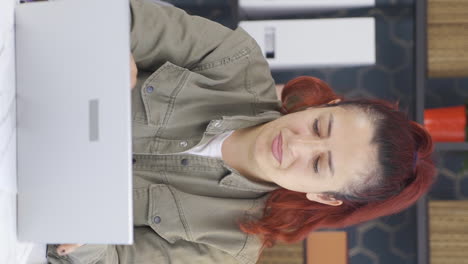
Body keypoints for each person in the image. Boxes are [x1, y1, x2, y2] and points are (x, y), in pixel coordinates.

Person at [46, 0, 436, 263]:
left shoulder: (231, 247)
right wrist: (109, 44)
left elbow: (114, 260)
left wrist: (86, 238)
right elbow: (118, 19)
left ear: (323, 196)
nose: (297, 143)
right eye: (319, 126)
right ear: (326, 105)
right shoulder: (232, 58)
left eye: (319, 164)